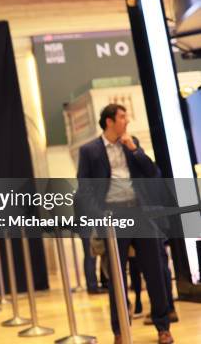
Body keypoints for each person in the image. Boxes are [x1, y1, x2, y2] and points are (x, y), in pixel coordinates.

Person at [76, 104, 173, 344]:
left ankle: (163, 326)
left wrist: (135, 150)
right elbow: (85, 187)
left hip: (140, 213)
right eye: (122, 117)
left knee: (155, 273)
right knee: (116, 279)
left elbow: (153, 174)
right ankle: (120, 330)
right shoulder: (90, 151)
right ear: (109, 121)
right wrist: (99, 215)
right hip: (112, 217)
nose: (127, 121)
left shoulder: (133, 143)